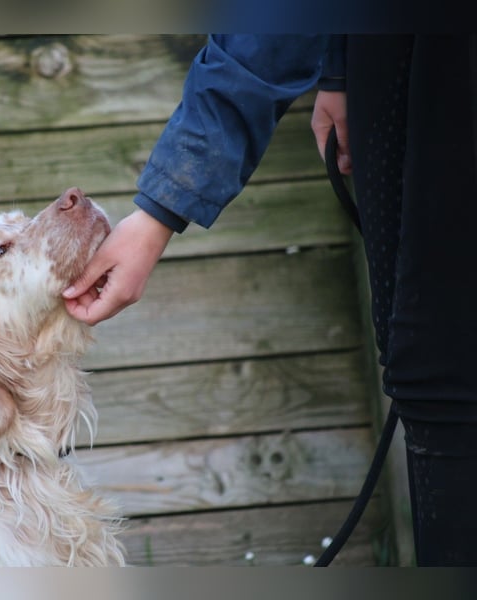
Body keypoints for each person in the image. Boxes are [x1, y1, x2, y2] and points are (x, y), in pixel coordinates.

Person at [62, 34, 477, 566]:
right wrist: (341, 68)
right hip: (404, 67)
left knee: (443, 373)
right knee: (428, 370)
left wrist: (160, 211)